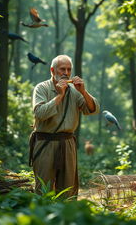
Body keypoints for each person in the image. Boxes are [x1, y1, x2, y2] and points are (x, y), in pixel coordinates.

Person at [29, 54, 100, 198]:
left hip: (67, 144)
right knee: (44, 188)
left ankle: (66, 219)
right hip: (45, 143)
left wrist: (83, 92)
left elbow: (93, 110)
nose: (66, 73)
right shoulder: (41, 88)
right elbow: (40, 114)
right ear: (52, 70)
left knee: (68, 190)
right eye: (62, 69)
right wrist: (59, 96)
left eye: (69, 69)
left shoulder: (75, 92)